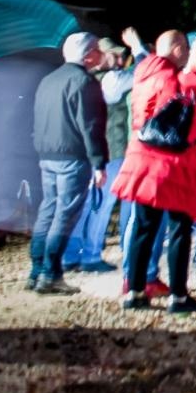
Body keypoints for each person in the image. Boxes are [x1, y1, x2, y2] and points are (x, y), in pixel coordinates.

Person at [113, 30, 196, 314]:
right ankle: (178, 297)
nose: (186, 54)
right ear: (176, 49)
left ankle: (134, 292)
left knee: (142, 229)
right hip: (172, 166)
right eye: (184, 48)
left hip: (142, 160)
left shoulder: (144, 75)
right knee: (179, 230)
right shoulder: (187, 83)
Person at [27, 32, 108, 295]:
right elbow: (91, 126)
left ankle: (37, 270)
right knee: (65, 213)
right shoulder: (85, 82)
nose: (101, 54)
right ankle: (51, 273)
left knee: (48, 210)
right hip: (72, 156)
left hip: (47, 154)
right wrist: (98, 163)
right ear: (87, 54)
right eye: (97, 49)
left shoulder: (48, 80)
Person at [61, 37, 132, 273]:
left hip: (97, 153)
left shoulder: (89, 79)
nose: (121, 60)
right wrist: (141, 53)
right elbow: (139, 73)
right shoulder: (112, 80)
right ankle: (91, 255)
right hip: (111, 152)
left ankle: (71, 254)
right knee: (101, 206)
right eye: (115, 55)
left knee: (88, 205)